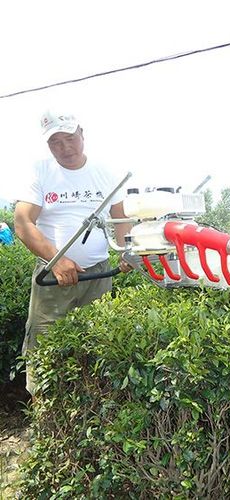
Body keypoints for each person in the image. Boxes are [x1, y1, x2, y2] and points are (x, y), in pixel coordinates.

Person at [14, 111, 132, 395]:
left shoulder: (106, 173)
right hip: (52, 278)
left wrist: (127, 250)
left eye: (69, 138)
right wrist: (57, 261)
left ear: (83, 134)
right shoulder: (40, 171)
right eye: (55, 142)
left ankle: (88, 420)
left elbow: (120, 218)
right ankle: (45, 426)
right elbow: (22, 222)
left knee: (99, 345)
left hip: (99, 275)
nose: (65, 148)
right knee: (43, 352)